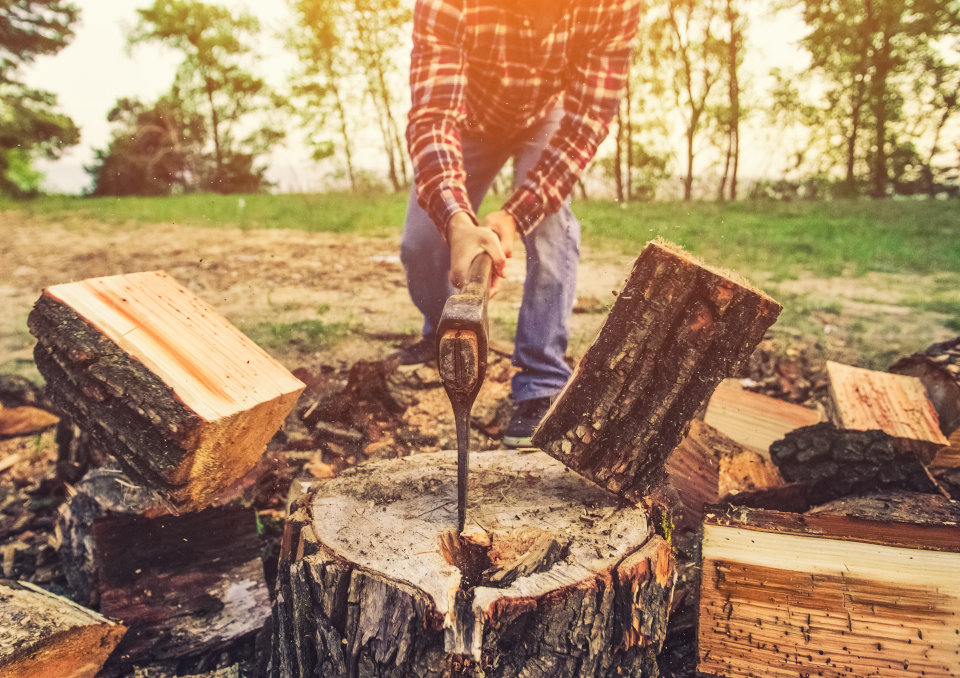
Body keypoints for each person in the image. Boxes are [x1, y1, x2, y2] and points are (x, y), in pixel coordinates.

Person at [398, 0, 641, 447]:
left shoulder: (614, 5)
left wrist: (517, 213)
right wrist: (456, 220)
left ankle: (542, 381)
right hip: (465, 117)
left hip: (544, 118)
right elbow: (433, 117)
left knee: (553, 232)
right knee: (421, 243)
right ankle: (446, 332)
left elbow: (588, 120)